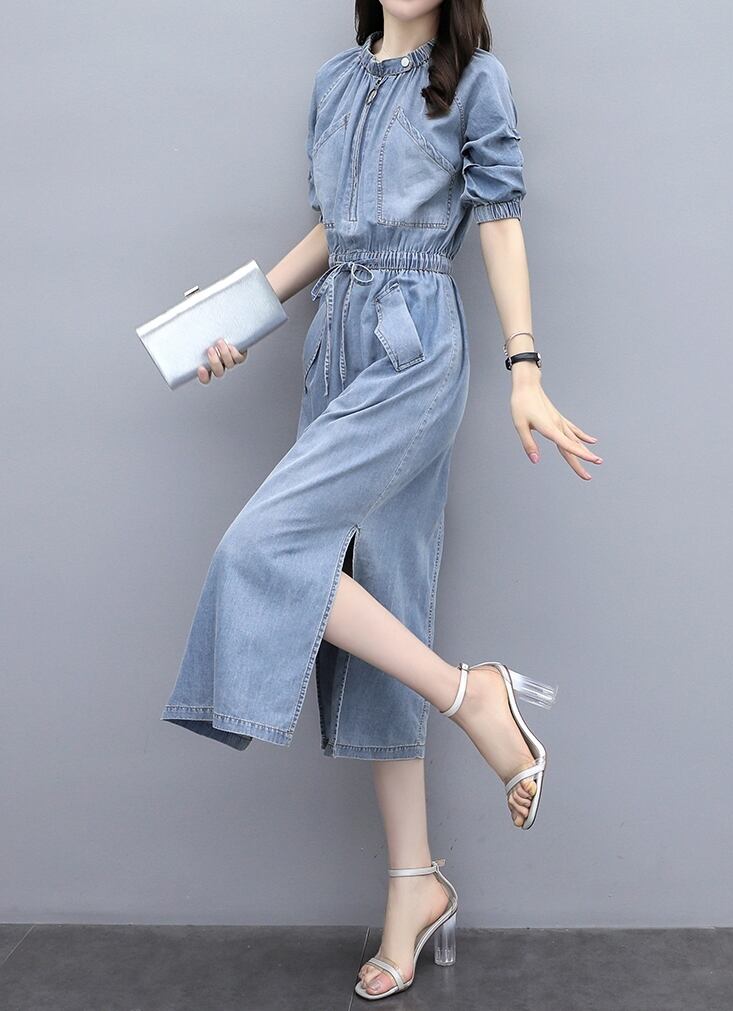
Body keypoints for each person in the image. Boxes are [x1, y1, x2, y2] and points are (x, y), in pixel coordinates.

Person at [161, 0, 602, 1000]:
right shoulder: (334, 80)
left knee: (265, 549)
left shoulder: (474, 79)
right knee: (382, 599)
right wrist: (239, 325)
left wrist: (524, 369)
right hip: (334, 343)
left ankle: (473, 697)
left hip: (412, 346)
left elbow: (499, 219)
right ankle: (415, 882)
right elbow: (331, 231)